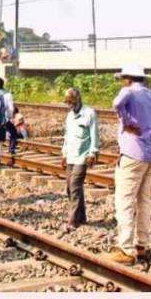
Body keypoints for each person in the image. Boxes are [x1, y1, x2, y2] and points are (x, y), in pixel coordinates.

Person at [106, 65, 151, 265]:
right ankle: (141, 245)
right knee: (144, 201)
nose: (121, 82)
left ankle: (126, 249)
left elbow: (117, 103)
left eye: (122, 79)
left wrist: (126, 120)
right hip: (148, 154)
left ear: (128, 78)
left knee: (125, 200)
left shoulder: (128, 91)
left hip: (131, 153)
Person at [60, 87, 99, 231]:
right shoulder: (69, 116)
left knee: (75, 186)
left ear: (77, 99)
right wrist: (64, 154)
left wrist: (92, 153)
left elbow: (95, 135)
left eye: (71, 101)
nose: (69, 104)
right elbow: (67, 136)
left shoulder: (89, 113)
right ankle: (81, 217)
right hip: (70, 155)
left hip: (83, 156)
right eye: (67, 102)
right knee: (70, 188)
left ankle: (73, 220)